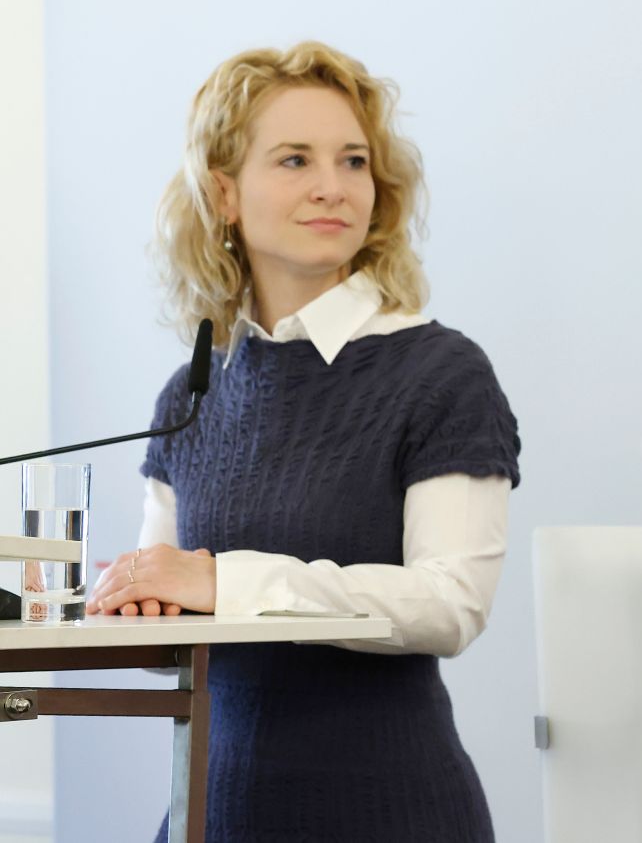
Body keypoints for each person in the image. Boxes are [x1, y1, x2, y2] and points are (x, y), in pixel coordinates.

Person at [86, 42, 521, 842]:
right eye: (295, 160)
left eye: (353, 161)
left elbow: (450, 606)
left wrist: (226, 580)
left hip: (391, 815)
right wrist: (126, 600)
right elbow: (166, 631)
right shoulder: (191, 395)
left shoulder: (441, 374)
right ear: (224, 193)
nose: (333, 187)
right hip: (211, 819)